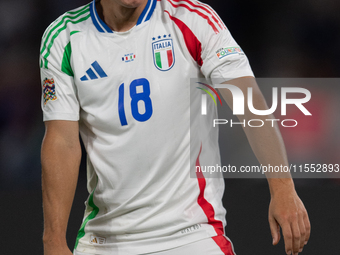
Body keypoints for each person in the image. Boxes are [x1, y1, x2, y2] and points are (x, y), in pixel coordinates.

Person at [40, 0, 310, 255]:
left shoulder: (193, 20)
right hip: (104, 240)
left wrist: (282, 187)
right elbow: (62, 141)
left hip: (192, 235)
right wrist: (53, 239)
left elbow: (249, 103)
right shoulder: (63, 38)